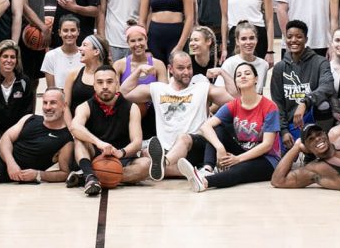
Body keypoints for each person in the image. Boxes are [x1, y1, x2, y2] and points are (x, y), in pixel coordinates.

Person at [121, 51, 233, 181]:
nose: (186, 72)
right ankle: (190, 171)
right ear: (170, 69)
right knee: (146, 154)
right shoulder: (158, 89)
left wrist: (223, 73)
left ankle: (164, 164)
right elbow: (124, 93)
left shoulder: (203, 88)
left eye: (189, 67)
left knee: (183, 138)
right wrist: (138, 70)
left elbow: (234, 99)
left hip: (195, 145)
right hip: (167, 148)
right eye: (181, 68)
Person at [178, 61, 281, 191]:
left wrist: (238, 159)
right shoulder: (234, 105)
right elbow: (205, 126)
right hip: (242, 150)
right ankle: (207, 169)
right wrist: (220, 147)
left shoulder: (270, 107)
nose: (243, 76)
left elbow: (267, 145)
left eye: (247, 73)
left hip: (267, 159)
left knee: (240, 169)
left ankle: (204, 182)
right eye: (239, 75)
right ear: (236, 82)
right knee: (217, 129)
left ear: (256, 79)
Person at [68, 65, 147, 196]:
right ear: (94, 86)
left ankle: (88, 177)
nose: (104, 86)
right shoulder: (84, 106)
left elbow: (137, 142)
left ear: (117, 84)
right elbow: (74, 127)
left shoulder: (132, 107)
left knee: (146, 165)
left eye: (109, 82)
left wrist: (121, 153)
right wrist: (99, 143)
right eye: (100, 82)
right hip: (94, 155)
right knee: (79, 140)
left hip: (120, 159)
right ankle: (91, 176)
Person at [270, 20, 335, 149]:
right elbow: (278, 103)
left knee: (324, 105)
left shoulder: (320, 62)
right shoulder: (279, 68)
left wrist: (305, 101)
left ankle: (322, 142)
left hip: (312, 119)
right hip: (291, 124)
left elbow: (327, 86)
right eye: (289, 37)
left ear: (306, 39)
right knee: (281, 161)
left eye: (299, 37)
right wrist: (284, 131)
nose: (294, 40)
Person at [114, 25, 167, 138]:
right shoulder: (119, 65)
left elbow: (164, 95)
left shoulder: (158, 64)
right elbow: (116, 95)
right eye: (133, 41)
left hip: (151, 113)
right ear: (128, 43)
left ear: (146, 40)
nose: (137, 44)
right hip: (126, 113)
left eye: (140, 39)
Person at [0, 40, 34, 134]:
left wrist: (15, 133)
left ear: (17, 60)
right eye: (5, 56)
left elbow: (27, 112)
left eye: (12, 57)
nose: (9, 60)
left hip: (17, 132)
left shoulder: (24, 81)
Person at [64, 34, 111, 115]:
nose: (79, 48)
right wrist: (71, 126)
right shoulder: (73, 74)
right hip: (74, 124)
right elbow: (65, 107)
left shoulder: (110, 76)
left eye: (84, 45)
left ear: (96, 51)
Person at [218, 21, 270, 94]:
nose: (248, 42)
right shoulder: (229, 63)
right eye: (243, 39)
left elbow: (259, 92)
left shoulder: (264, 65)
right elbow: (219, 92)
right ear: (237, 41)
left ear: (257, 40)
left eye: (251, 38)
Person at [41, 14, 82, 88]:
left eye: (73, 30)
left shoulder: (85, 54)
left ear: (78, 31)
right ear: (60, 32)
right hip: (59, 98)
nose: (69, 34)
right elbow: (51, 89)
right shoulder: (50, 56)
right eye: (65, 31)